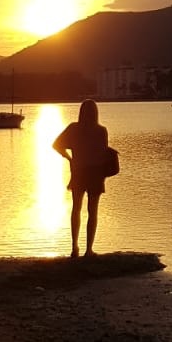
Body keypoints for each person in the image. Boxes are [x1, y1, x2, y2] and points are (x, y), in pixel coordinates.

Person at [52, 99, 111, 259]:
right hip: (95, 174)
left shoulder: (73, 128)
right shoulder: (101, 131)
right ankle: (89, 250)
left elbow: (56, 144)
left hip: (78, 172)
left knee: (76, 209)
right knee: (93, 212)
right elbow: (103, 154)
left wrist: (69, 158)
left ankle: (74, 247)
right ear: (96, 113)